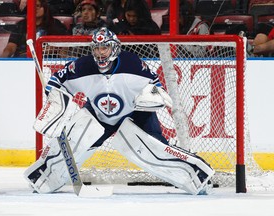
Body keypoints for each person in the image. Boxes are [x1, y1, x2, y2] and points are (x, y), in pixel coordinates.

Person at [24, 27, 214, 196]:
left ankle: (199, 176)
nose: (100, 53)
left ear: (114, 48)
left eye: (104, 48)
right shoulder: (83, 65)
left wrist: (151, 96)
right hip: (99, 116)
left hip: (135, 113)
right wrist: (55, 98)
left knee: (156, 150)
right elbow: (57, 80)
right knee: (73, 145)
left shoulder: (132, 63)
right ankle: (43, 178)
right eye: (97, 48)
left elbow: (156, 84)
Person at [0, 0, 69, 58]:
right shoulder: (21, 25)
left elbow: (63, 45)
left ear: (45, 8)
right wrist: (4, 56)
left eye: (38, 6)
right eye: (33, 6)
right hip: (24, 59)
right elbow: (11, 46)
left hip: (48, 60)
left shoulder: (55, 24)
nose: (35, 8)